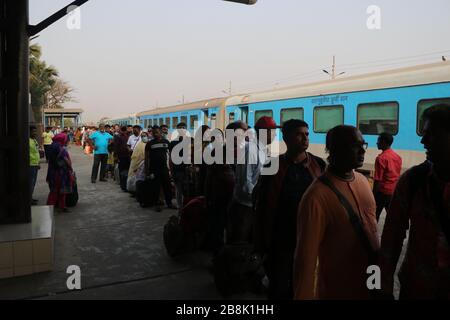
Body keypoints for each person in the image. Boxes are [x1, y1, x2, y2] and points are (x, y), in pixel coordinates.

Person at [293, 125, 379, 300]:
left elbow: (373, 237)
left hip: (371, 284)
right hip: (338, 290)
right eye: (355, 145)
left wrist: (378, 286)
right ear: (335, 149)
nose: (362, 151)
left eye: (364, 144)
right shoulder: (315, 197)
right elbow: (306, 262)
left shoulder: (363, 181)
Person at [380, 104, 450, 299]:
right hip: (416, 288)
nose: (423, 140)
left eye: (432, 134)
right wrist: (378, 285)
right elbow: (389, 240)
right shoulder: (413, 181)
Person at [254, 119, 326, 300]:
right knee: (278, 286)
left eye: (307, 134)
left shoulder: (319, 166)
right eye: (299, 134)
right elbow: (261, 204)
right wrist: (260, 240)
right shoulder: (272, 165)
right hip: (280, 239)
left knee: (303, 286)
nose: (305, 138)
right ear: (286, 138)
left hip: (309, 238)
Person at [228, 117, 273, 244]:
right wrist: (259, 197)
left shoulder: (262, 149)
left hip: (253, 205)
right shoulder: (250, 150)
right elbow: (245, 183)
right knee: (238, 245)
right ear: (265, 132)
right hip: (244, 207)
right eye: (273, 131)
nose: (275, 134)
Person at [373, 132, 402, 221]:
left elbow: (378, 179)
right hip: (393, 191)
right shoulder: (397, 157)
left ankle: (372, 234)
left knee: (374, 216)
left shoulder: (381, 158)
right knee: (392, 217)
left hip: (382, 192)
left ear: (384, 142)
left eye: (378, 140)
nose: (377, 143)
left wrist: (373, 195)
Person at [145, 126, 174, 211]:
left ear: (161, 132)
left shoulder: (166, 142)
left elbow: (171, 156)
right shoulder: (149, 144)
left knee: (167, 187)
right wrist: (147, 171)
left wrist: (171, 169)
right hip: (154, 169)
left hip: (164, 169)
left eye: (157, 132)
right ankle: (157, 205)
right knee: (155, 187)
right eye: (153, 133)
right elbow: (146, 158)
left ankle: (169, 203)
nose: (155, 134)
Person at [46, 133, 74, 212]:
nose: (66, 140)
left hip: (52, 171)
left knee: (54, 190)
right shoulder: (61, 148)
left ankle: (50, 206)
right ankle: (61, 206)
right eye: (65, 139)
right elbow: (66, 160)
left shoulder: (51, 146)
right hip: (61, 172)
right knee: (61, 190)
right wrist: (70, 168)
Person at [169, 122, 191, 209]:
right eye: (180, 128)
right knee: (179, 190)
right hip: (177, 169)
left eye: (183, 127)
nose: (182, 129)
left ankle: (187, 206)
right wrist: (171, 170)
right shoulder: (173, 143)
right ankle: (179, 207)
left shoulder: (191, 141)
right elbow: (171, 158)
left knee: (187, 189)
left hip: (188, 170)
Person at [114, 126, 132, 191]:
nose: (124, 131)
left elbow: (116, 147)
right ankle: (123, 185)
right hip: (122, 156)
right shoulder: (119, 137)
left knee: (126, 170)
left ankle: (125, 184)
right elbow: (116, 147)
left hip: (127, 156)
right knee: (122, 170)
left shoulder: (128, 136)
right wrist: (116, 156)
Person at [29, 126, 41, 205]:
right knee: (30, 183)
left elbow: (36, 152)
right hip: (30, 165)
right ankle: (29, 199)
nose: (35, 133)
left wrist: (38, 163)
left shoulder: (34, 140)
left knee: (33, 183)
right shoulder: (28, 141)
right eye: (33, 131)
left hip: (35, 164)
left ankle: (30, 197)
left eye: (35, 131)